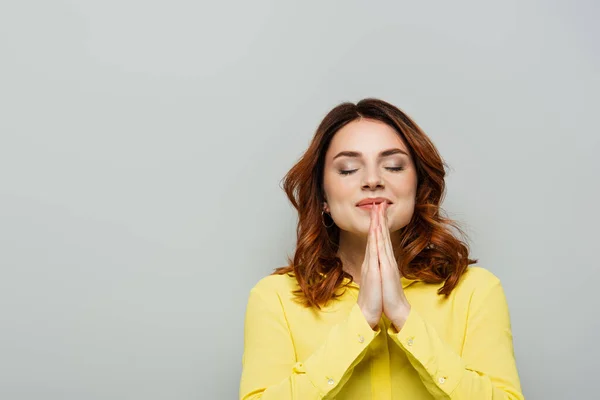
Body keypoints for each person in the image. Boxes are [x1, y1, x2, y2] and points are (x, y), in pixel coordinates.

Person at [239, 98, 524, 399]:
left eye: (393, 166)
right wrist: (361, 320)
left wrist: (404, 316)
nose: (373, 180)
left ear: (418, 186)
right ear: (322, 196)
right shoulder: (276, 299)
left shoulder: (475, 292)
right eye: (348, 169)